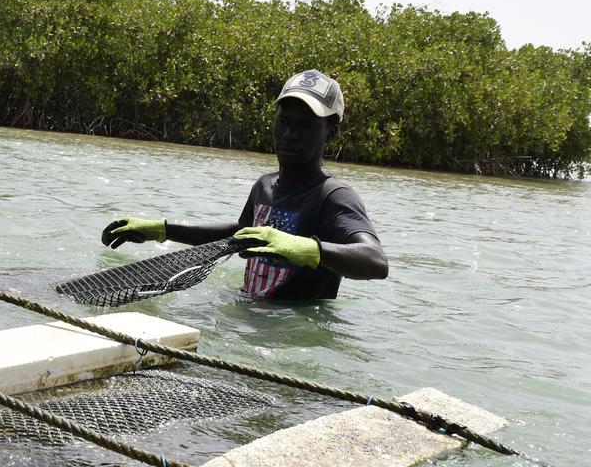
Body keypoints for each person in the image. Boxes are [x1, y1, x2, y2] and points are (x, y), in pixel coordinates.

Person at [100, 70, 388, 300]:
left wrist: (310, 250)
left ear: (331, 134)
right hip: (248, 310)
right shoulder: (264, 186)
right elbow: (238, 235)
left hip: (290, 330)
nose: (290, 134)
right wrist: (162, 230)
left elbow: (375, 261)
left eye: (305, 126)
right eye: (284, 121)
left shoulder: (334, 196)